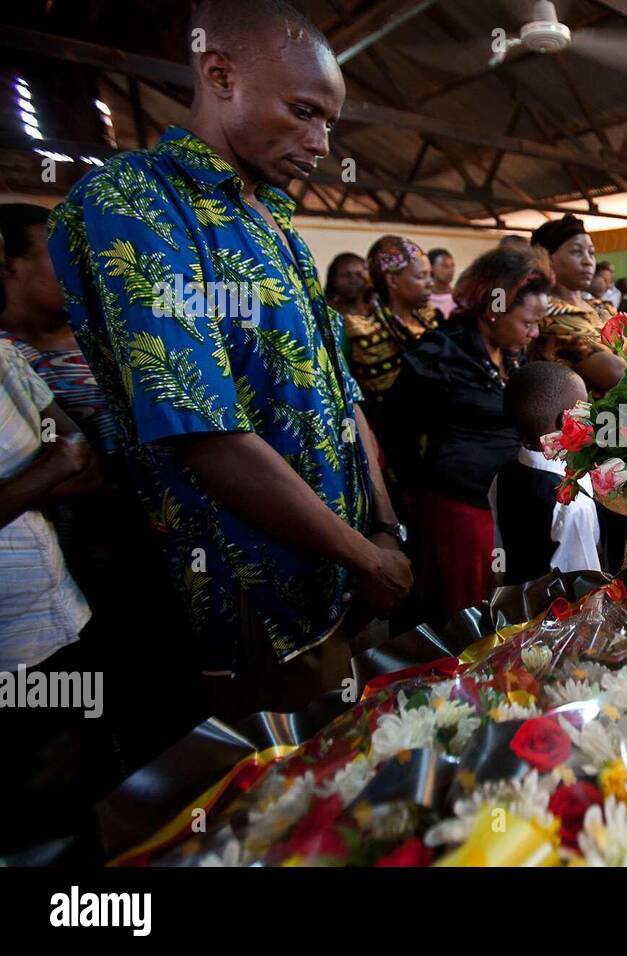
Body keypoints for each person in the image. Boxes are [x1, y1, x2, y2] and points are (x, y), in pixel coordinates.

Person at [47, 0, 412, 721]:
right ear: (219, 74)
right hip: (253, 604)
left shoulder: (273, 222)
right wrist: (367, 557)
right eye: (304, 111)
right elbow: (204, 435)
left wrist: (383, 527)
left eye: (329, 123)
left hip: (340, 580)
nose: (321, 142)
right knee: (278, 802)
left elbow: (343, 400)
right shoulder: (134, 201)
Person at [2, 202, 199, 775]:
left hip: (152, 547)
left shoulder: (102, 336)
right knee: (107, 731)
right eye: (56, 255)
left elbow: (86, 458)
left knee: (174, 703)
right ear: (7, 263)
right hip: (76, 567)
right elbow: (74, 466)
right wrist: (64, 468)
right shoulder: (9, 357)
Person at [396, 244, 550, 625]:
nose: (533, 333)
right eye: (527, 323)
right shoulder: (438, 355)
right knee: (462, 619)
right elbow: (396, 432)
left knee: (501, 613)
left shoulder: (510, 353)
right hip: (460, 510)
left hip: (505, 505)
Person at [0, 337, 106, 853]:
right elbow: (64, 459)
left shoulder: (4, 359)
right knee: (38, 834)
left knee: (99, 797)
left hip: (65, 616)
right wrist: (49, 470)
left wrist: (31, 482)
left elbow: (84, 459)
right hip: (9, 654)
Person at [489, 361, 601, 585]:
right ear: (566, 421)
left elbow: (498, 551)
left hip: (516, 604)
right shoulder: (572, 501)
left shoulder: (501, 478)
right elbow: (584, 584)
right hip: (560, 614)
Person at [344, 236, 439, 480]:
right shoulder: (358, 331)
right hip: (388, 450)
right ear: (392, 279)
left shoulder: (434, 322)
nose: (430, 283)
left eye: (430, 275)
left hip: (438, 448)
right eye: (421, 276)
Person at [528, 213, 623, 396]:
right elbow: (616, 373)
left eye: (591, 253)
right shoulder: (549, 312)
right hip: (585, 420)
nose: (588, 261)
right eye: (576, 251)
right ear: (547, 259)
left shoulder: (602, 307)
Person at [427, 247, 456, 319]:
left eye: (452, 265)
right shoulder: (423, 299)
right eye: (445, 266)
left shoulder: (459, 298)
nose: (450, 270)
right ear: (431, 267)